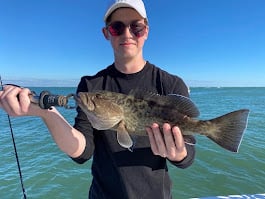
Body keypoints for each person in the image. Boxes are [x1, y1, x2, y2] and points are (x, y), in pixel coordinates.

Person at [0, 0, 196, 198]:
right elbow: (82, 150)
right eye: (117, 27)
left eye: (136, 27)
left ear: (146, 31)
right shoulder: (90, 85)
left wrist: (177, 152)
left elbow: (187, 157)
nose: (127, 34)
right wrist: (46, 113)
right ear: (106, 33)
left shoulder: (170, 84)